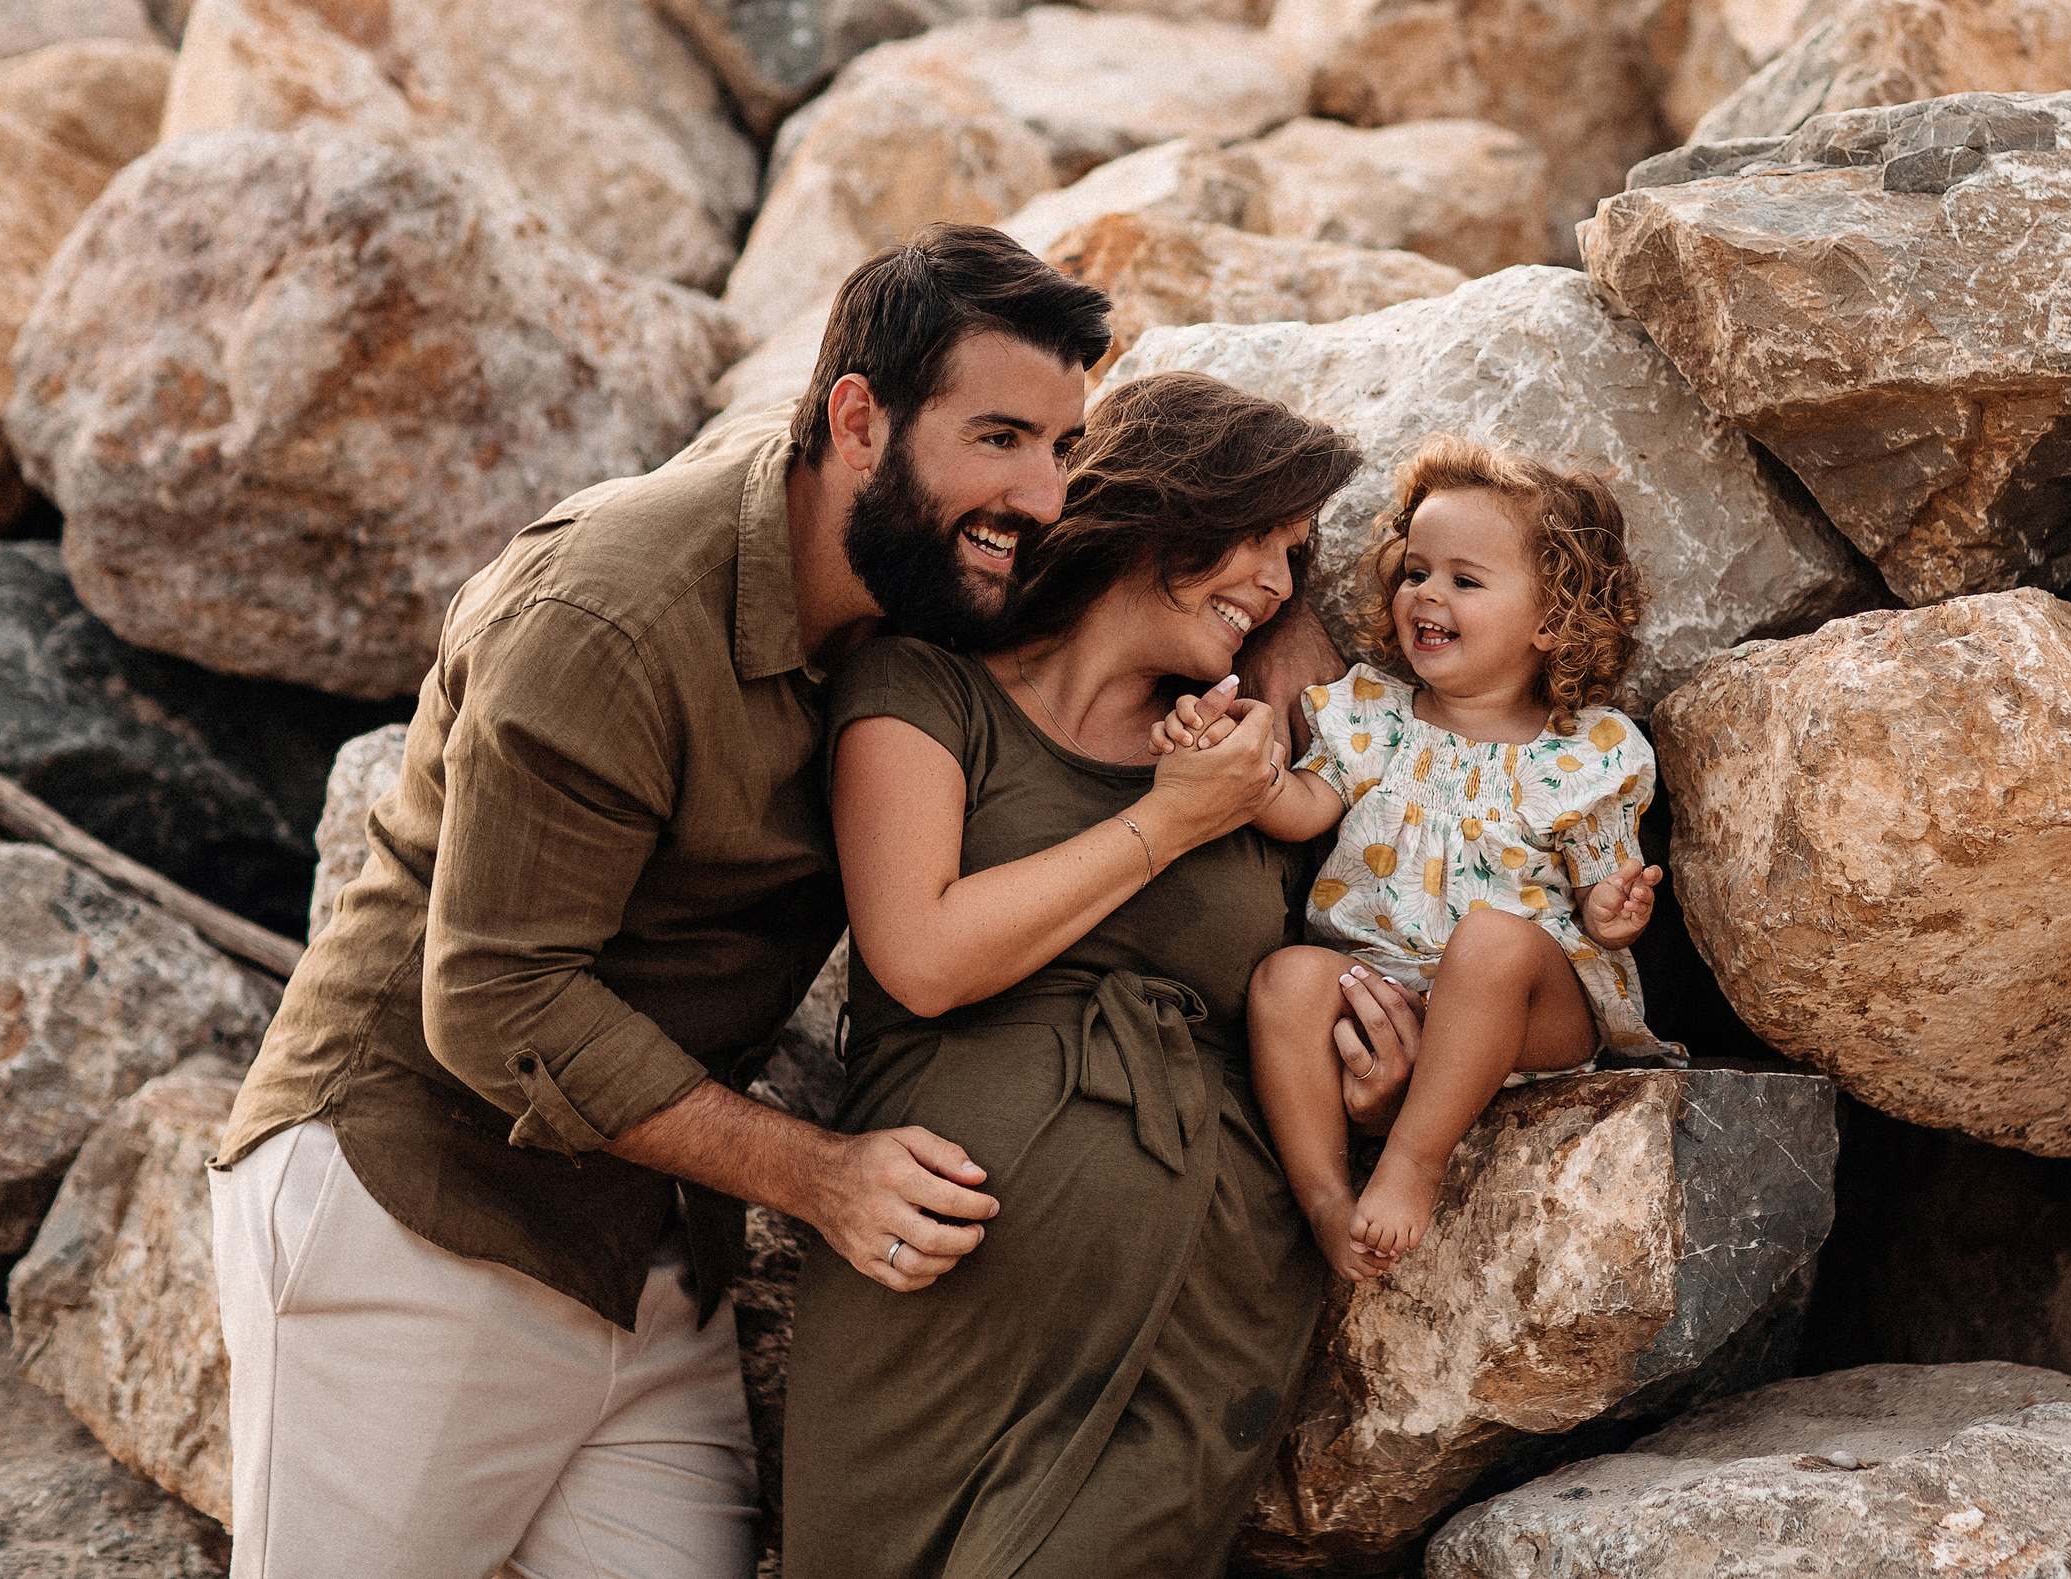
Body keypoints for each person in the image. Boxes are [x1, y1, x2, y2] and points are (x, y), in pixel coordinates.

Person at [204, 225, 1332, 1579]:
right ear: (858, 421)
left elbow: (1166, 588)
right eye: (999, 439)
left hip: (639, 1245)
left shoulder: (924, 578)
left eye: (1061, 448)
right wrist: (819, 1176)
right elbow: (499, 1001)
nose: (1042, 495)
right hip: (416, 1214)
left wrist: (1284, 696)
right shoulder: (606, 616)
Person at [784, 371, 1361, 1577]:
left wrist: (1374, 1042)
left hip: (1197, 1304)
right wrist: (1171, 821)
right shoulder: (924, 686)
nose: (1273, 580)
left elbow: (1349, 963)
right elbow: (923, 957)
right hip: (935, 1308)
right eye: (1257, 536)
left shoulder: (1248, 759)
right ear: (1161, 505)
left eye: (1295, 555)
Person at [1163, 435, 1686, 1281]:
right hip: (1384, 983)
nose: (1427, 593)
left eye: (1465, 580)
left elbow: (1599, 896)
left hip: (1526, 1010)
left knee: (1492, 938)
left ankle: (1414, 1158)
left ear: (1551, 621)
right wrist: (1240, 767)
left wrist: (1615, 912)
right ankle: (1327, 1200)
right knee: (1286, 979)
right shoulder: (1374, 716)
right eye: (1416, 571)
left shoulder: (1585, 752)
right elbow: (1302, 810)